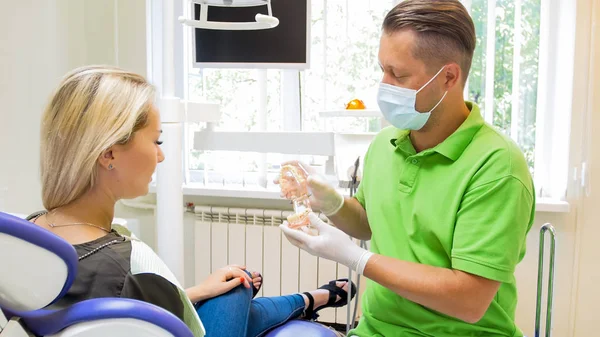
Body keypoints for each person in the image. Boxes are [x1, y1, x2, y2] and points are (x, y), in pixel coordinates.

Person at [28, 65, 356, 337]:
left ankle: (314, 298)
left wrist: (195, 292)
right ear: (109, 153)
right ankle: (311, 299)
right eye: (155, 141)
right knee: (238, 284)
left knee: (227, 285)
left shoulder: (29, 235)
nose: (161, 155)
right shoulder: (130, 261)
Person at [278, 1, 535, 336]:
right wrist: (333, 203)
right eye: (382, 69)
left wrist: (356, 259)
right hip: (375, 329)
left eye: (398, 74)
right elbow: (369, 223)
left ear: (448, 77)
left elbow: (469, 301)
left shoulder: (497, 167)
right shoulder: (386, 144)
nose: (383, 85)